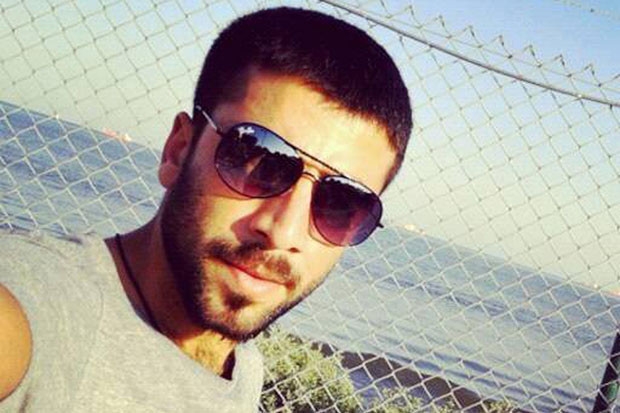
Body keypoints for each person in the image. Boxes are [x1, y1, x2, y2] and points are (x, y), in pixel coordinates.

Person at [0, 6, 412, 412]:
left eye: (341, 202)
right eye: (257, 159)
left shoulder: (241, 365)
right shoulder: (52, 305)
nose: (282, 231)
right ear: (179, 150)